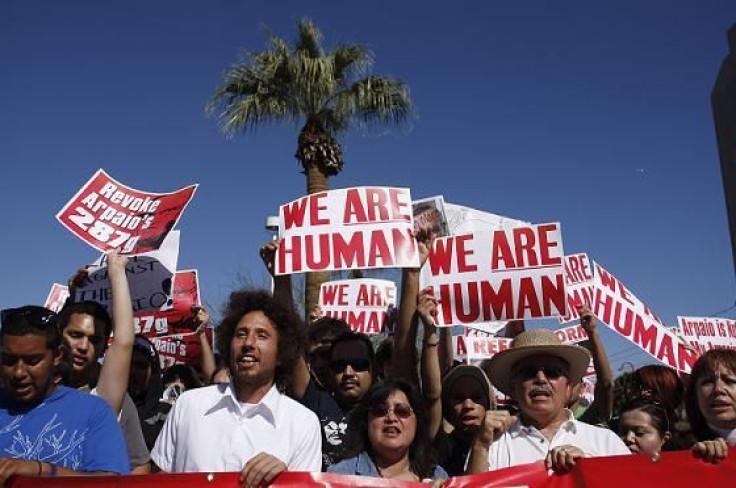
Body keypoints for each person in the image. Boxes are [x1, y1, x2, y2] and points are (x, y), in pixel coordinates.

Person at [151, 289, 321, 487]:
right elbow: (160, 477)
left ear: (282, 353)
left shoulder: (303, 424)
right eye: (241, 334)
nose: (248, 343)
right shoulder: (189, 405)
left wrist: (286, 481)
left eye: (262, 335)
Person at [468, 329, 629, 474]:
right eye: (528, 372)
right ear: (513, 388)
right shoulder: (491, 445)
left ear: (568, 388)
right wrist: (480, 446)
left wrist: (589, 469)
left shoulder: (606, 442)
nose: (540, 379)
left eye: (552, 372)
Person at [0, 306, 129, 483]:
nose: (19, 372)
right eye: (9, 361)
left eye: (32, 361)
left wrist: (39, 470)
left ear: (57, 356)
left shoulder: (94, 412)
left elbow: (111, 482)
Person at [59, 251, 150, 474]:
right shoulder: (29, 390)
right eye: (75, 335)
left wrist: (116, 273)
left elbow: (124, 341)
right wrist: (73, 297)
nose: (82, 346)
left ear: (103, 347)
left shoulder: (101, 399)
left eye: (94, 340)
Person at [329, 379, 448, 481]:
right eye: (380, 411)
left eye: (402, 411)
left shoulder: (436, 475)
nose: (391, 418)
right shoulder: (340, 475)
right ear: (366, 422)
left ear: (417, 422)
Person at [684, 348, 736, 464]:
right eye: (708, 381)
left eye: (730, 381)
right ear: (694, 394)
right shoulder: (676, 447)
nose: (718, 389)